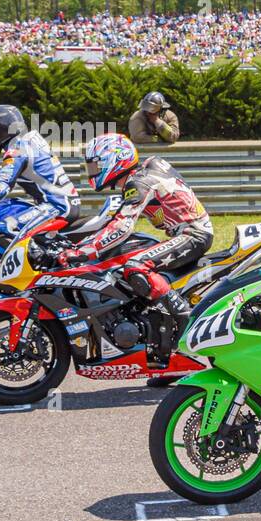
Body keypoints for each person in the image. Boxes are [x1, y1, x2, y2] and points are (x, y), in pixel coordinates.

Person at [56, 133, 212, 364]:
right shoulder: (144, 172)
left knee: (136, 266)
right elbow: (112, 220)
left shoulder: (137, 182)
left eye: (96, 165)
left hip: (193, 234)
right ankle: (163, 352)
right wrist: (83, 242)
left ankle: (184, 318)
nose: (93, 171)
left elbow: (123, 225)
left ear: (115, 160)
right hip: (188, 232)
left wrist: (85, 252)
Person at [0, 104, 81, 233]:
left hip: (56, 207)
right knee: (7, 206)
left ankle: (33, 256)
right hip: (65, 202)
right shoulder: (31, 139)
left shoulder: (17, 150)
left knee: (3, 225)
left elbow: (1, 186)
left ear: (1, 129)